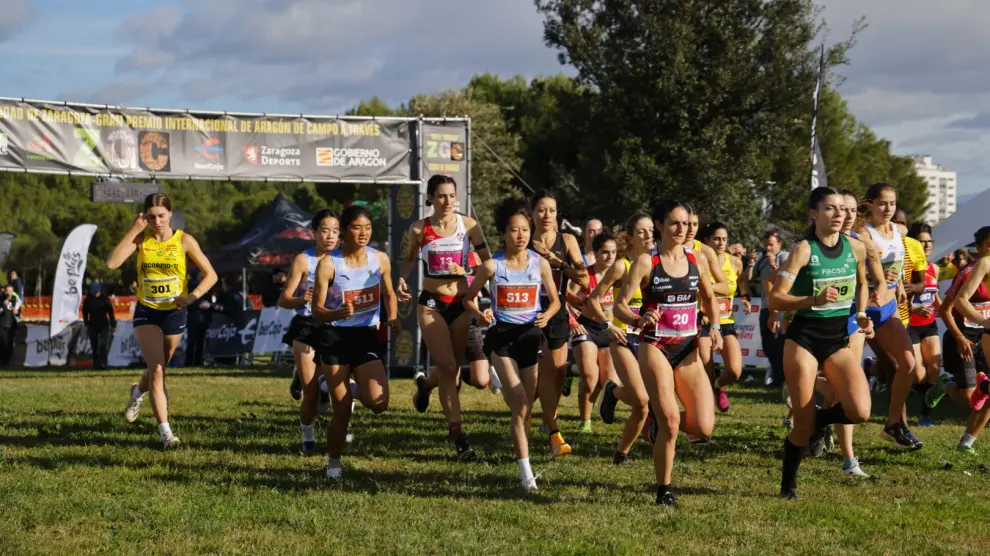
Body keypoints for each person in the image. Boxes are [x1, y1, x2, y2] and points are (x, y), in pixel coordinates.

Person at [614, 199, 722, 507]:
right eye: (674, 223)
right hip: (655, 346)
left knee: (703, 427)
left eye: (686, 223)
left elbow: (710, 298)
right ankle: (664, 490)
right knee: (672, 421)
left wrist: (715, 327)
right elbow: (620, 305)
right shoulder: (647, 262)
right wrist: (638, 319)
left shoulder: (697, 259)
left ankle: (657, 423)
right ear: (659, 226)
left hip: (687, 348)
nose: (681, 229)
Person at [769, 187, 873, 500]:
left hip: (837, 339)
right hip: (804, 338)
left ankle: (819, 420)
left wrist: (862, 314)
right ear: (814, 214)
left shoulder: (856, 248)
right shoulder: (804, 250)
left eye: (842, 208)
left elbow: (863, 284)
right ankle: (788, 486)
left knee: (860, 411)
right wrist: (812, 300)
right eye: (830, 208)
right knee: (801, 424)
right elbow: (775, 298)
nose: (839, 214)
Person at [463, 197, 560, 492]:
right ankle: (526, 475)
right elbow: (468, 299)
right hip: (502, 337)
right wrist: (480, 314)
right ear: (503, 234)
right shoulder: (492, 266)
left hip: (530, 336)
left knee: (525, 408)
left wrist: (547, 315)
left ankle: (500, 383)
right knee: (520, 404)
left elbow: (556, 301)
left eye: (525, 230)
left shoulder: (540, 263)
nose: (521, 236)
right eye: (514, 230)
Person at [108, 193, 218, 448]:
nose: (156, 222)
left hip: (174, 312)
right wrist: (134, 229)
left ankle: (137, 391)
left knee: (159, 367)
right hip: (147, 311)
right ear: (144, 217)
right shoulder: (141, 239)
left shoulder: (184, 240)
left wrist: (191, 297)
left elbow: (211, 275)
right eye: (151, 217)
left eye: (161, 216)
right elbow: (112, 263)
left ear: (170, 214)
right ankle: (166, 433)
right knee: (157, 370)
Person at [398, 175, 490, 461]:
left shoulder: (469, 225)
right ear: (430, 198)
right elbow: (409, 259)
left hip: (460, 304)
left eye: (451, 195)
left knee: (452, 369)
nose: (447, 201)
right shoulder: (418, 228)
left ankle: (426, 385)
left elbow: (488, 263)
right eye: (441, 196)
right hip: (431, 304)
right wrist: (401, 279)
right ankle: (459, 438)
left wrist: (468, 270)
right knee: (449, 368)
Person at [313, 204, 400, 480]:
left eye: (368, 228)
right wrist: (337, 313)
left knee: (379, 403)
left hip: (365, 336)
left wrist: (393, 317)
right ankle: (334, 464)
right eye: (356, 228)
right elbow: (316, 311)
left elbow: (389, 294)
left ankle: (348, 386)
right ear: (344, 230)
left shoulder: (380, 259)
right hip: (335, 338)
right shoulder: (329, 264)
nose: (363, 233)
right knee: (342, 410)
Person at [854, 183, 920, 450]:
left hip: (888, 308)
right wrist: (877, 278)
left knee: (908, 364)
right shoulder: (863, 233)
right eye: (882, 203)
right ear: (870, 204)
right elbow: (860, 268)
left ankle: (893, 424)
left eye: (892, 203)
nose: (888, 209)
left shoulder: (899, 231)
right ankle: (818, 419)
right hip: (863, 308)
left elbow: (898, 262)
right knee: (845, 372)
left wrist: (900, 283)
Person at [588, 213, 654, 465]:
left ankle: (621, 454)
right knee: (642, 398)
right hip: (623, 336)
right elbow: (594, 298)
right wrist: (607, 325)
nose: (648, 235)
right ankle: (613, 391)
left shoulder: (658, 265)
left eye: (651, 230)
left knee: (644, 405)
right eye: (641, 231)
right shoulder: (621, 266)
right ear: (630, 237)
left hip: (650, 339)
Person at [529, 191, 588, 457]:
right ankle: (553, 432)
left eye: (552, 210)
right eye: (541, 210)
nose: (547, 216)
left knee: (557, 372)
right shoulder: (524, 240)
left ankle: (529, 412)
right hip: (531, 312)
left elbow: (584, 279)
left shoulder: (567, 240)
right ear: (532, 213)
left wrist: (558, 263)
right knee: (545, 370)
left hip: (559, 312)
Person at [278, 209, 340, 454]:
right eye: (325, 231)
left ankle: (343, 426)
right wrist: (302, 298)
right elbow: (284, 299)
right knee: (311, 392)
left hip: (335, 327)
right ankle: (308, 438)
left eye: (335, 231)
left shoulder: (346, 259)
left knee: (339, 386)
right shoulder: (304, 260)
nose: (330, 236)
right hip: (306, 327)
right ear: (314, 233)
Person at [928, 226, 990, 455]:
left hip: (984, 336)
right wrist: (960, 337)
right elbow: (946, 309)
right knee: (968, 396)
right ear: (979, 247)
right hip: (964, 336)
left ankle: (967, 443)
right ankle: (945, 384)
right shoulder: (969, 271)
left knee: (986, 395)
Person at [567, 231, 619, 434]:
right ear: (595, 253)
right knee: (590, 376)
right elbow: (563, 297)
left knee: (607, 381)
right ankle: (585, 421)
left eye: (613, 252)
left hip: (608, 330)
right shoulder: (584, 276)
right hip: (586, 327)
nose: (610, 256)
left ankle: (570, 370)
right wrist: (572, 319)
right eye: (605, 252)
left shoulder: (619, 275)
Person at [699, 222, 751, 412]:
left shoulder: (735, 262)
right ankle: (705, 407)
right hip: (703, 322)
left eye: (724, 239)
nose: (721, 243)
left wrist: (745, 297)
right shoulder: (699, 261)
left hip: (726, 321)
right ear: (706, 241)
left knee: (735, 371)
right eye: (716, 239)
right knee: (706, 369)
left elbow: (741, 279)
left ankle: (718, 387)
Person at [906, 222, 942, 427]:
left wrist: (947, 312)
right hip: (910, 324)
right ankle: (877, 370)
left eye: (930, 241)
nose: (927, 245)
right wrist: (913, 309)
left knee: (934, 368)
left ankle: (925, 415)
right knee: (919, 375)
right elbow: (895, 299)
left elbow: (934, 297)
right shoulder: (907, 268)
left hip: (929, 324)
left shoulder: (934, 268)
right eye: (922, 242)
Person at [750, 231, 788, 387]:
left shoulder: (785, 257)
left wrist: (774, 265)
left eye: (771, 244)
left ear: (779, 243)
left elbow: (786, 278)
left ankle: (783, 379)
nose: (768, 248)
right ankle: (777, 376)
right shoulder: (762, 261)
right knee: (768, 344)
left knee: (780, 343)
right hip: (765, 306)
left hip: (781, 307)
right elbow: (751, 280)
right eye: (766, 244)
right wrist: (751, 263)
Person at [81, 282, 116, 369]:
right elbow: (84, 311)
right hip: (92, 325)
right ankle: (96, 364)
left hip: (104, 324)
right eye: (93, 292)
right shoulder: (88, 300)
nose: (95, 293)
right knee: (94, 345)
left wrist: (113, 325)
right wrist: (86, 322)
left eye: (96, 292)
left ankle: (103, 363)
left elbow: (111, 312)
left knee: (103, 343)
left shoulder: (105, 299)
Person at [0, 289, 16, 365]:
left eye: (11, 291)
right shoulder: (1, 300)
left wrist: (17, 312)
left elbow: (17, 312)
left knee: (10, 345)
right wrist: (2, 306)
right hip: (2, 326)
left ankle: (7, 362)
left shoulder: (14, 300)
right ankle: (2, 362)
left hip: (11, 326)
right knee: (3, 344)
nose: (9, 293)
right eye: (8, 291)